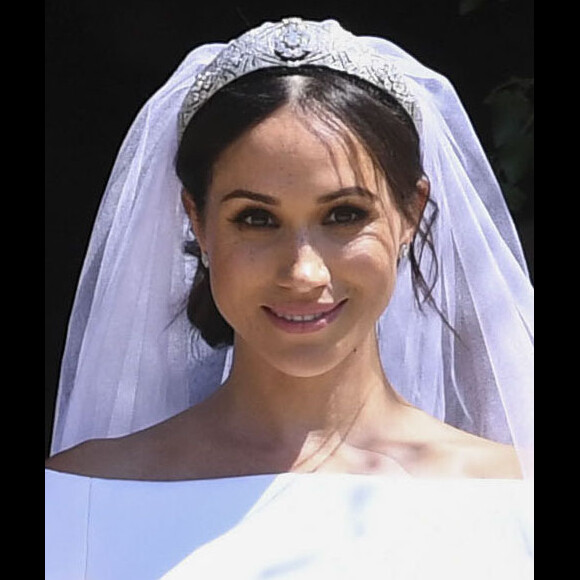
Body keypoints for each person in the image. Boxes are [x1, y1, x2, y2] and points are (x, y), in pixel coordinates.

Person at [45, 18, 533, 579]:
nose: (303, 272)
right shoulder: (80, 500)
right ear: (198, 222)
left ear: (410, 215)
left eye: (344, 215)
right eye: (256, 219)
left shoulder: (514, 504)